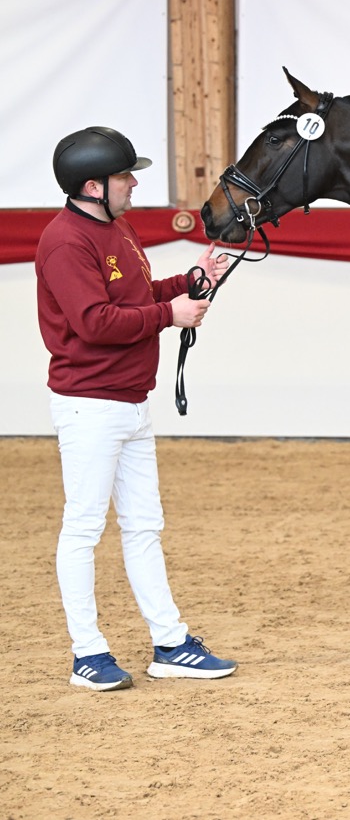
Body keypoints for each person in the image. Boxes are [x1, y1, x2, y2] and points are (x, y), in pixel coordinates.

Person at [36, 126, 237, 691]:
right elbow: (94, 323)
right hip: (90, 406)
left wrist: (189, 281)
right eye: (125, 175)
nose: (134, 183)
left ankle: (170, 642)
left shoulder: (117, 228)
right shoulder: (65, 242)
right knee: (83, 529)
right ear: (93, 186)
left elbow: (134, 297)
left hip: (128, 402)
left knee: (144, 526)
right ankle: (87, 653)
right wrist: (171, 316)